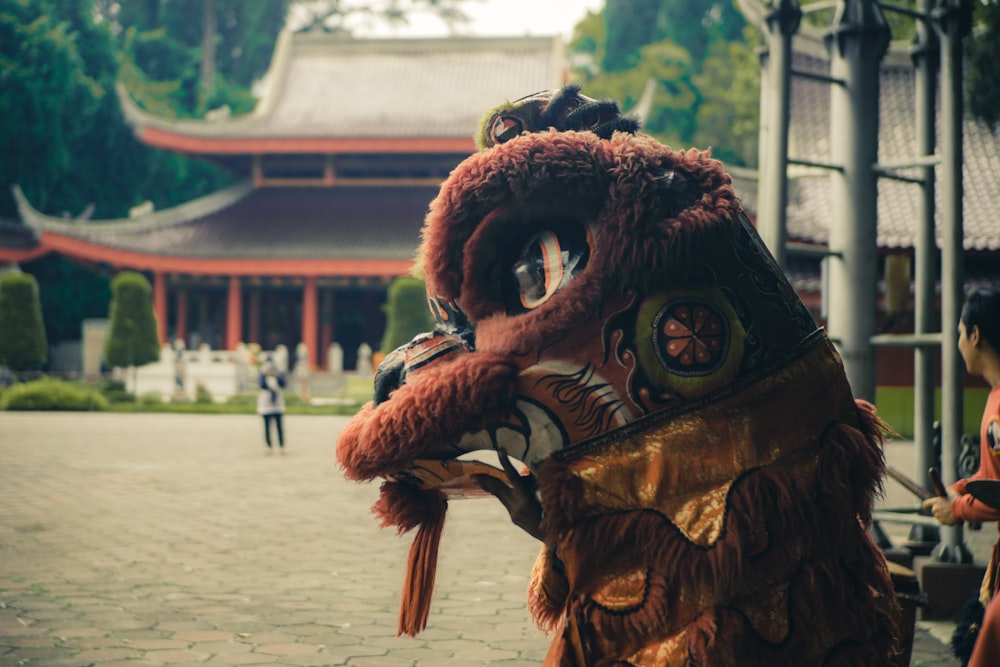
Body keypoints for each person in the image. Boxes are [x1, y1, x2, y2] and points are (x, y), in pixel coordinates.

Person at [923, 287, 1000, 667]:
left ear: (975, 335)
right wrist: (961, 488)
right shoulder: (995, 398)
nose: (957, 342)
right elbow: (992, 476)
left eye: (959, 333)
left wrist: (959, 509)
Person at [257, 360, 287, 454]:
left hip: (277, 404)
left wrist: (276, 376)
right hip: (266, 404)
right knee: (267, 427)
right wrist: (266, 376)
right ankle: (269, 446)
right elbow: (262, 385)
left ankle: (281, 446)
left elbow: (283, 384)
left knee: (279, 427)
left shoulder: (279, 374)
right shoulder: (263, 375)